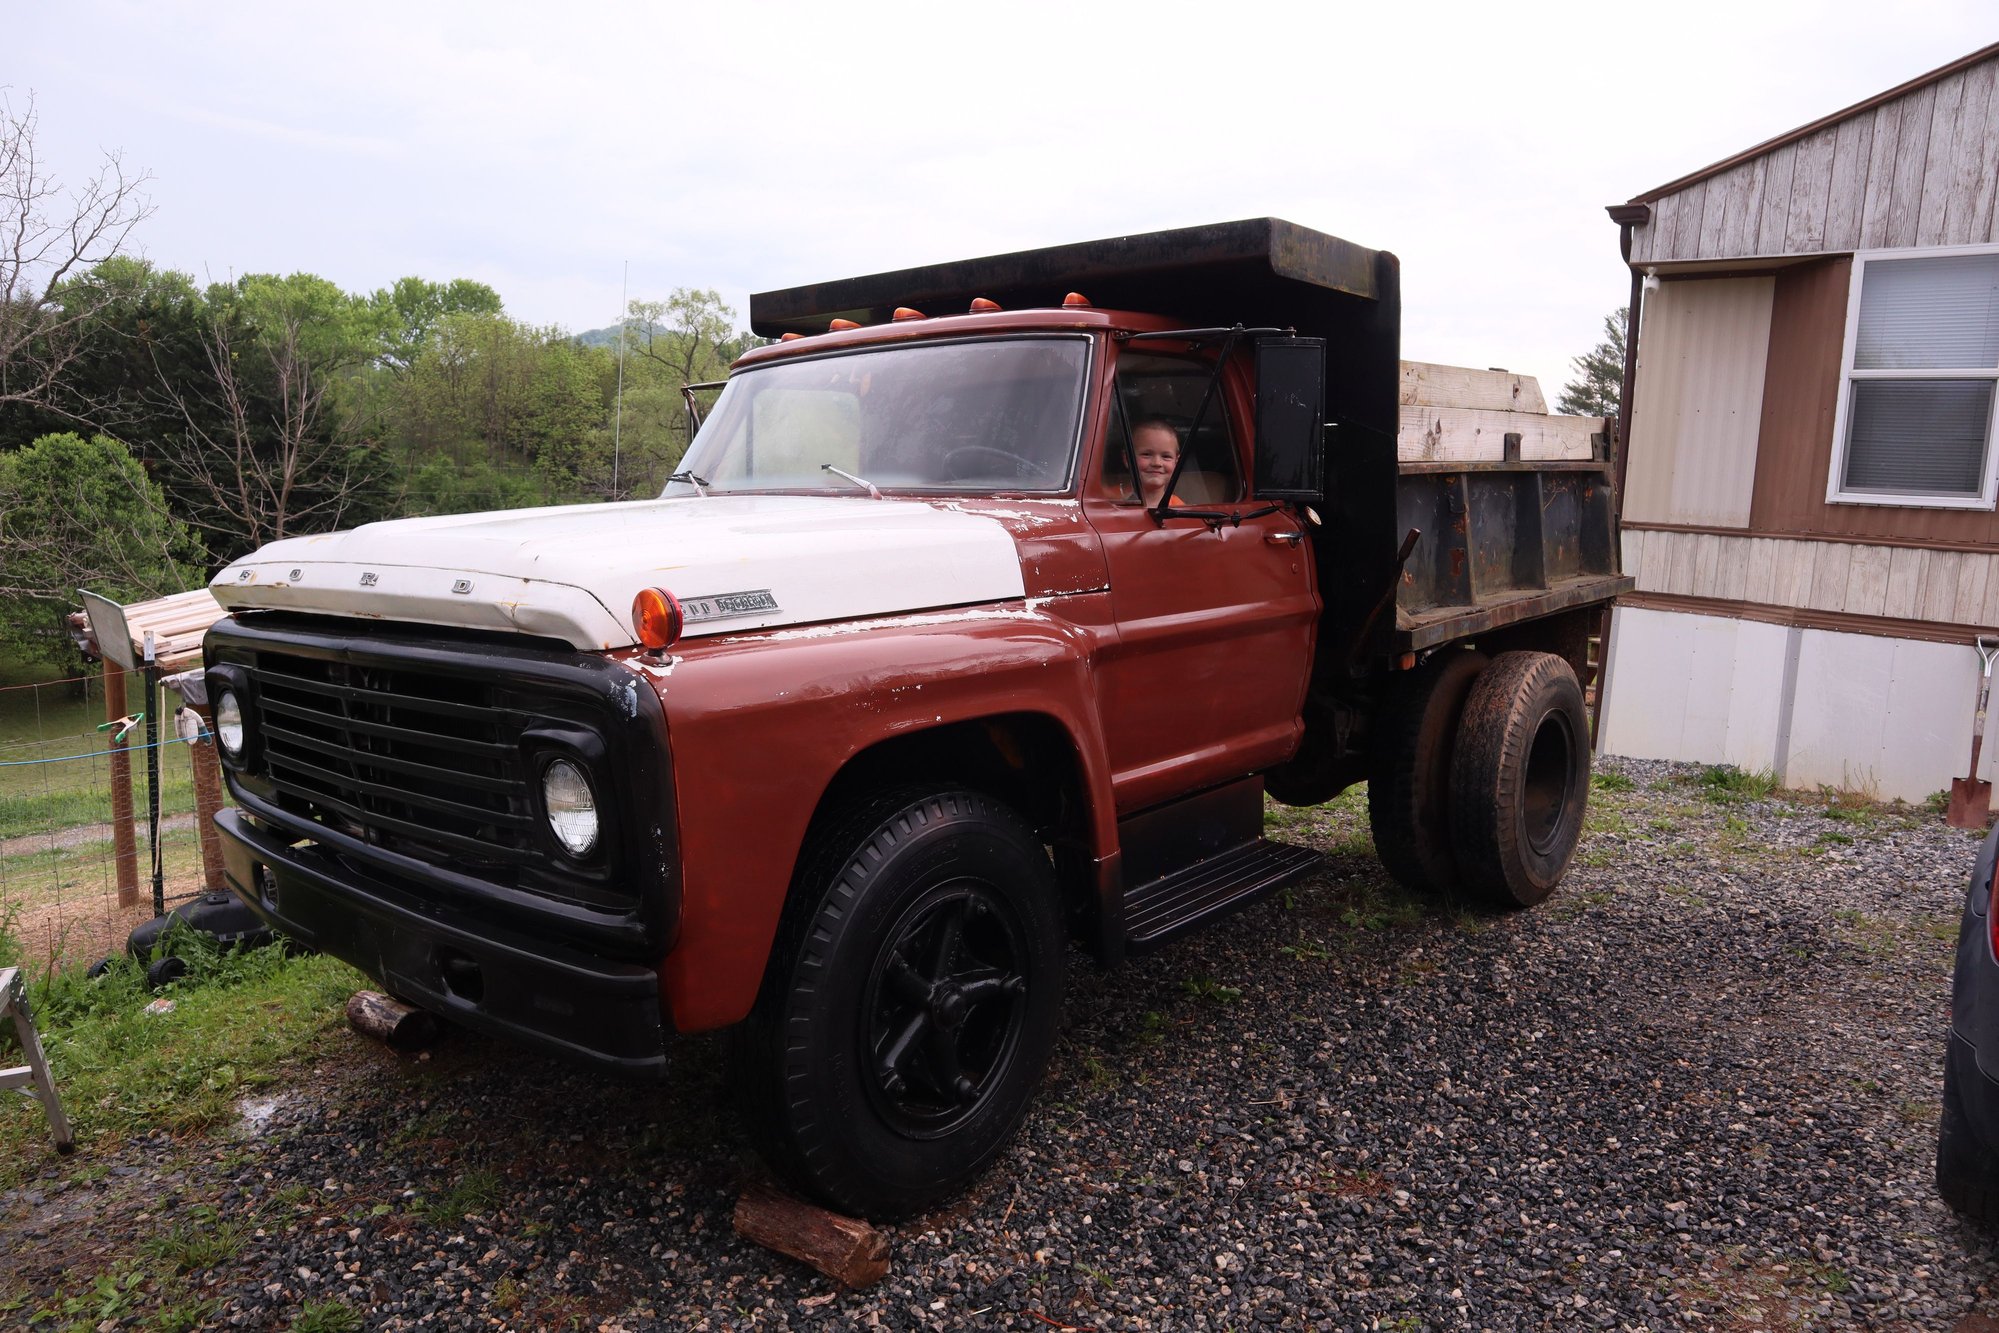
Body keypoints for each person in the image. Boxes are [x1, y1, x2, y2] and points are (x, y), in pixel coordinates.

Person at [1128, 416, 1186, 508]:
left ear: (1176, 462)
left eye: (1166, 456)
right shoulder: (1114, 502)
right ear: (1127, 458)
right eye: (1146, 454)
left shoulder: (1180, 509)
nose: (1156, 463)